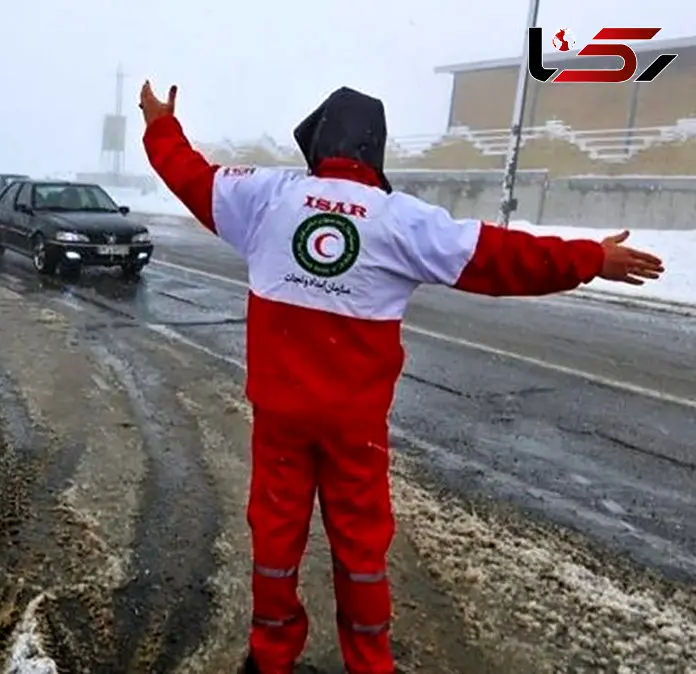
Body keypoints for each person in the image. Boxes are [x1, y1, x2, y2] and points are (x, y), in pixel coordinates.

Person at [137, 81, 665, 674]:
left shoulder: (266, 198)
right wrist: (592, 259)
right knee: (361, 550)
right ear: (374, 151)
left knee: (276, 542)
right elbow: (500, 257)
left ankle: (271, 655)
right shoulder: (401, 220)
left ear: (316, 140)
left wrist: (160, 124)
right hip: (353, 430)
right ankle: (369, 661)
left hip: (281, 421)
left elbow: (189, 175)